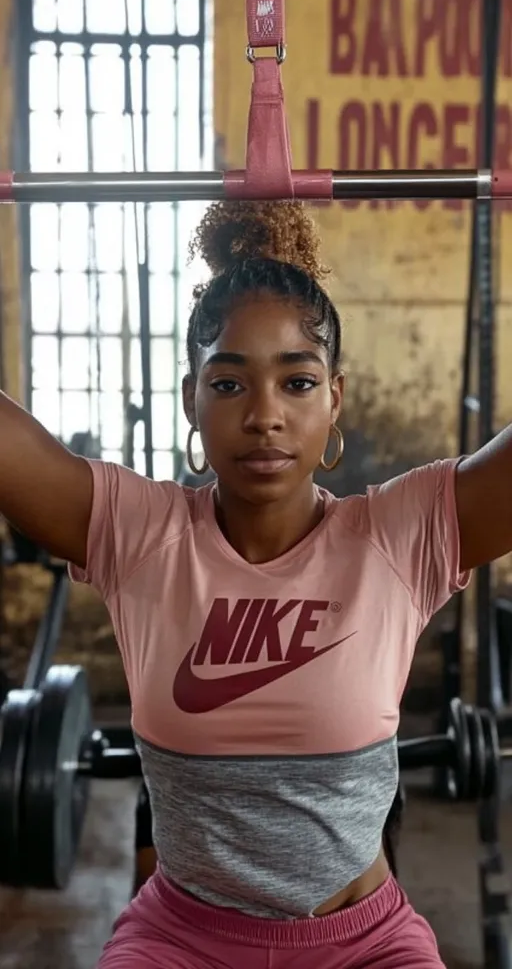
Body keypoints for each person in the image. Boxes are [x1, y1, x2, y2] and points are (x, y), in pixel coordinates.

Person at [0, 200, 510, 968]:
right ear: (190, 401)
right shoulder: (140, 535)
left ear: (335, 398)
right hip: (180, 938)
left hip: (364, 942)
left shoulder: (399, 538)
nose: (265, 416)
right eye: (230, 384)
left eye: (297, 383)